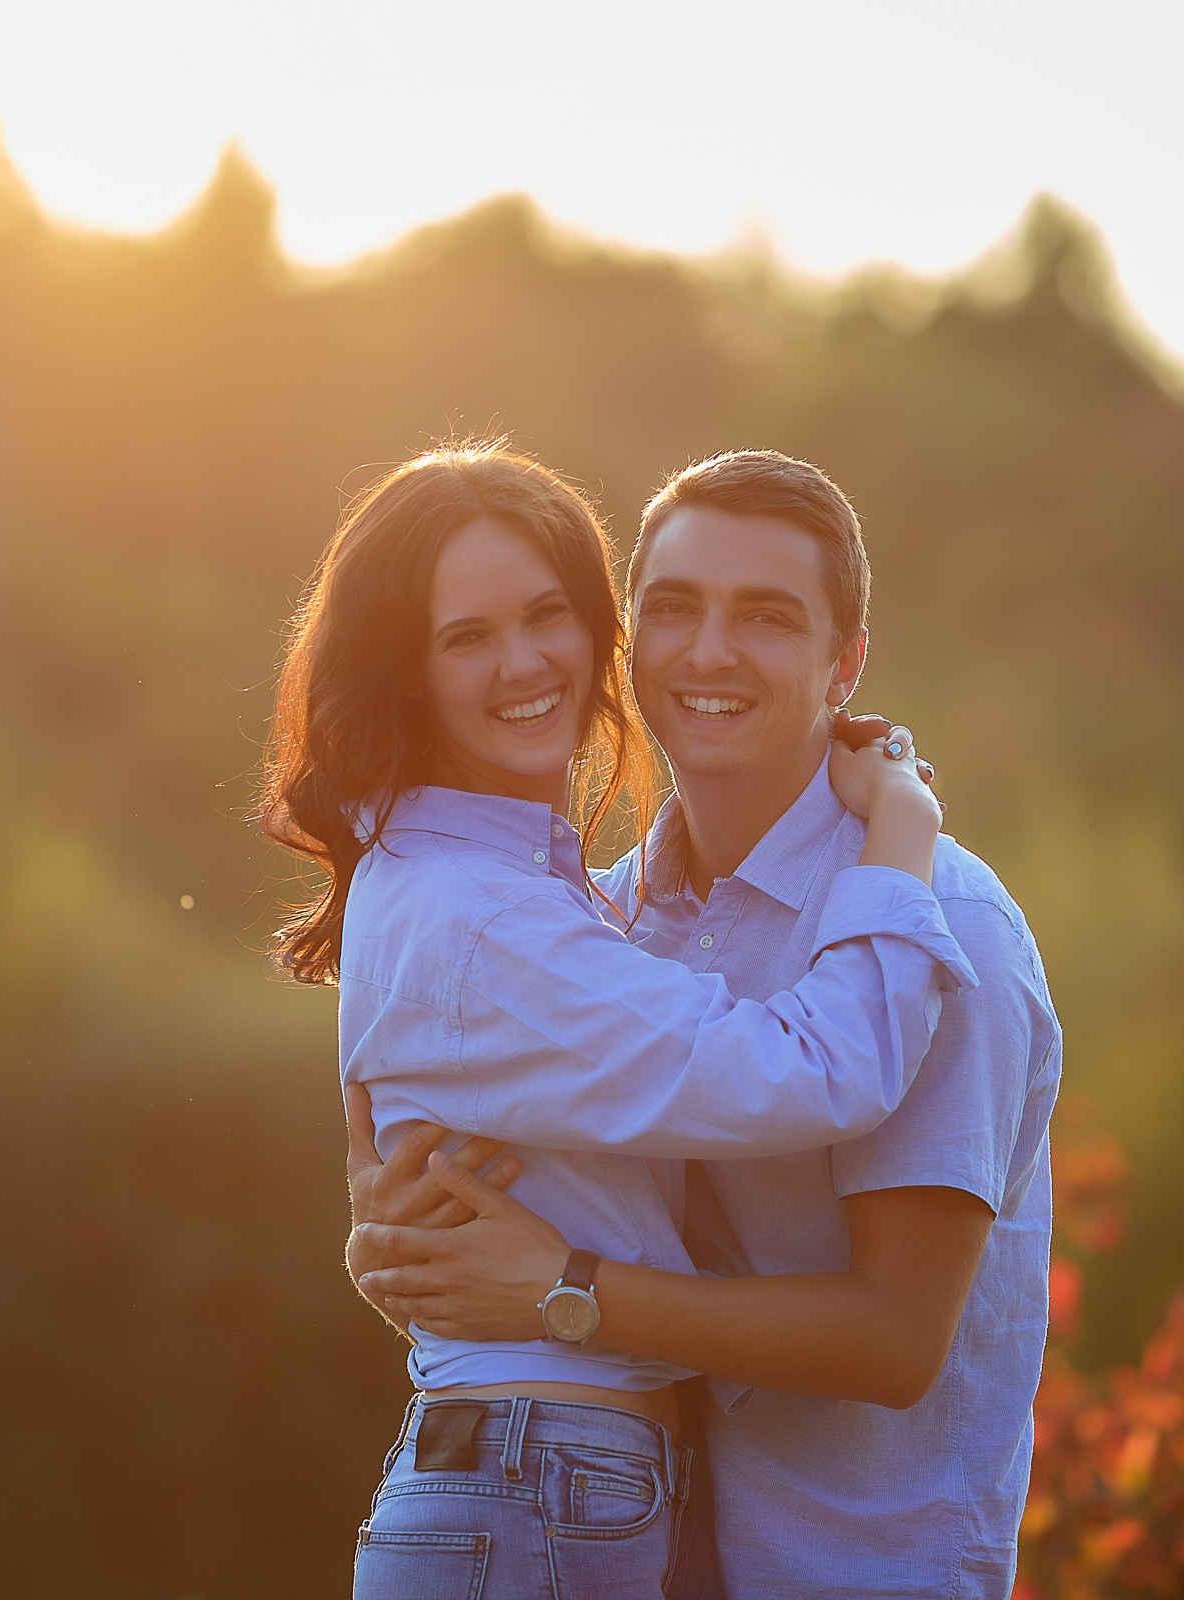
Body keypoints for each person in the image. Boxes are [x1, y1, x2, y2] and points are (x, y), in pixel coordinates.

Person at [256, 441, 974, 1598]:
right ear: (406, 670)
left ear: (600, 634)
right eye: (466, 637)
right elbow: (825, 1072)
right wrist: (901, 821)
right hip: (536, 1480)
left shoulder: (548, 894)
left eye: (549, 616)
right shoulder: (488, 919)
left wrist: (409, 1247)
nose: (524, 662)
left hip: (546, 1482)